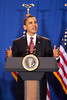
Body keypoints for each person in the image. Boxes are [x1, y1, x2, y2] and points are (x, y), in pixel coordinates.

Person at [6, 15, 60, 100]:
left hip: (40, 84)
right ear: (25, 27)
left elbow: (51, 62)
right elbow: (13, 63)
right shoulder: (17, 42)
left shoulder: (46, 42)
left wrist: (55, 57)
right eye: (30, 23)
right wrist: (10, 58)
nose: (34, 25)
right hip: (23, 84)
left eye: (35, 22)